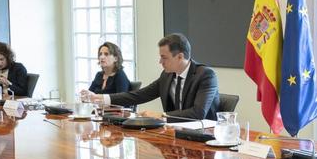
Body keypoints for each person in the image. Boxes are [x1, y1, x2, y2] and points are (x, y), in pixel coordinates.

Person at [80, 32, 218, 120]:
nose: (160, 62)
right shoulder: (167, 76)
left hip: (204, 137)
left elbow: (198, 113)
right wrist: (103, 98)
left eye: (164, 58)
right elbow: (140, 95)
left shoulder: (206, 75)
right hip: (176, 134)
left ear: (180, 57)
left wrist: (161, 115)